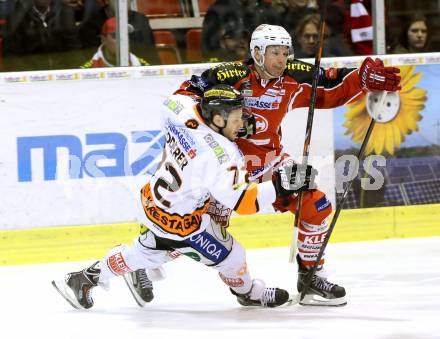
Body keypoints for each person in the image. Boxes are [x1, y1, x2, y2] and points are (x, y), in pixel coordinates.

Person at [129, 24, 401, 307]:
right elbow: (185, 98)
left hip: (268, 161)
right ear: (257, 52)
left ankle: (310, 278)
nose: (282, 59)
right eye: (275, 53)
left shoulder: (294, 76)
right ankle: (140, 260)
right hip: (223, 169)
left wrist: (364, 78)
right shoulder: (228, 76)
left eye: (285, 52)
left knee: (316, 203)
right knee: (197, 231)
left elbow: (331, 86)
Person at [52, 84, 319, 309]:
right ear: (216, 119)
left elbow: (182, 93)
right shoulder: (222, 157)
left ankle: (82, 279)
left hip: (151, 205)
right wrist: (282, 184)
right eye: (236, 118)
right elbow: (244, 202)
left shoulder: (180, 110)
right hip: (183, 226)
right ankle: (248, 293)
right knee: (233, 256)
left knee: (145, 252)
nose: (242, 123)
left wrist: (213, 90)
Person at [80, 17, 149, 68]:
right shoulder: (87, 69)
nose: (122, 40)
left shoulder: (141, 65)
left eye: (125, 35)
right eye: (116, 36)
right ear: (103, 39)